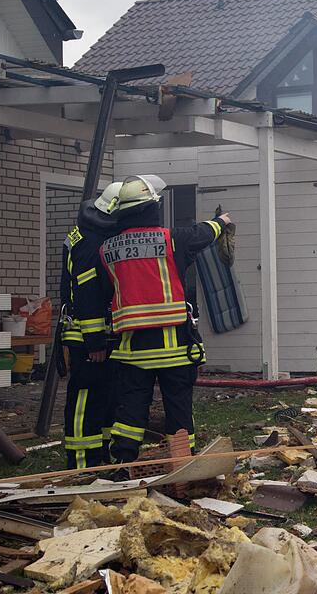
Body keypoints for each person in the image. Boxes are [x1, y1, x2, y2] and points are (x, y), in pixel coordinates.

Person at [98, 175, 230, 464]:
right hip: (174, 349)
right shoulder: (172, 239)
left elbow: (109, 292)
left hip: (132, 351)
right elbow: (202, 233)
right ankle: (181, 464)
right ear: (151, 208)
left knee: (131, 409)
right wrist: (222, 221)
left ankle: (124, 464)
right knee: (178, 408)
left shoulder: (107, 250)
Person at [60, 182, 122, 469]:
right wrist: (95, 340)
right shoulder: (90, 243)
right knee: (85, 397)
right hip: (87, 335)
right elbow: (87, 294)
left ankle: (100, 457)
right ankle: (82, 462)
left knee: (106, 396)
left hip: (95, 332)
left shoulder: (85, 232)